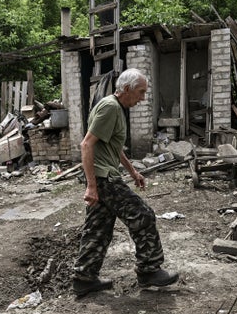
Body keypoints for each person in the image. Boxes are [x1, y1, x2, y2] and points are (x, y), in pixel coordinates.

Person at [73, 68, 179, 296]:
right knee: (143, 215)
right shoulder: (111, 107)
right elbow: (86, 145)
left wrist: (133, 172)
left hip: (104, 176)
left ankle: (84, 278)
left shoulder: (115, 108)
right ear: (128, 89)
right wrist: (92, 185)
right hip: (103, 178)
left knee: (98, 229)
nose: (142, 99)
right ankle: (149, 270)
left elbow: (114, 146)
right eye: (140, 93)